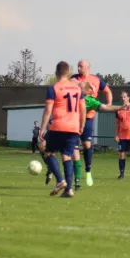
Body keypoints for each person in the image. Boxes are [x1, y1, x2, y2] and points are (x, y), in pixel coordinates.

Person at [67, 81, 130, 190]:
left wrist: (120, 108)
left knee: (74, 153)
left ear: (87, 91)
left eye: (80, 87)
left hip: (77, 129)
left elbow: (105, 108)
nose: (77, 88)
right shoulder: (71, 97)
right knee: (49, 149)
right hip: (66, 127)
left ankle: (77, 182)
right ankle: (55, 173)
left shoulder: (90, 101)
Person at [39, 61, 86, 198]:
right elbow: (83, 108)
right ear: (69, 73)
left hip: (58, 126)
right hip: (73, 127)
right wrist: (81, 125)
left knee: (48, 153)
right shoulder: (77, 89)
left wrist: (42, 129)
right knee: (67, 156)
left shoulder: (54, 88)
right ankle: (69, 190)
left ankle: (60, 181)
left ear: (56, 73)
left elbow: (48, 110)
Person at [71, 60, 113, 187]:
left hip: (88, 116)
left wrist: (109, 104)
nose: (79, 68)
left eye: (81, 66)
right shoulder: (74, 78)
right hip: (74, 117)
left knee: (87, 144)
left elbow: (108, 91)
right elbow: (72, 84)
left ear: (88, 67)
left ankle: (88, 171)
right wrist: (84, 85)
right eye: (78, 65)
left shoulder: (97, 79)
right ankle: (76, 177)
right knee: (73, 146)